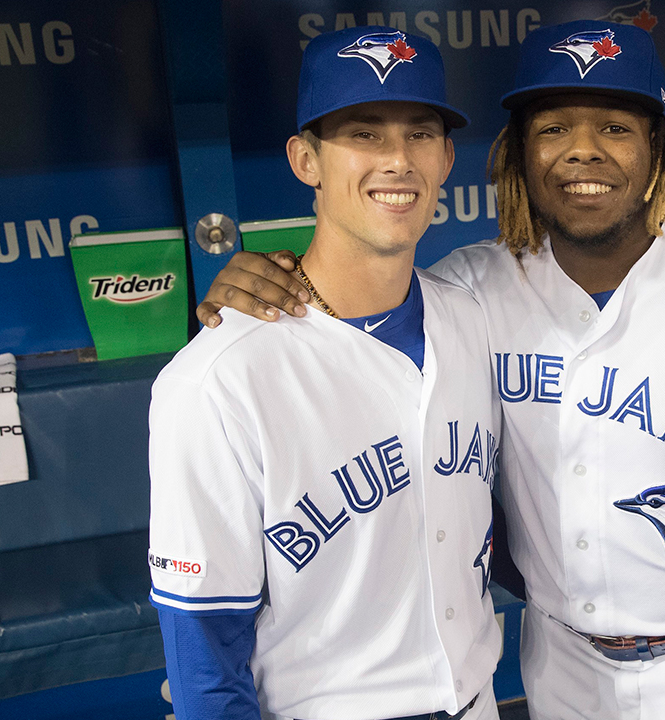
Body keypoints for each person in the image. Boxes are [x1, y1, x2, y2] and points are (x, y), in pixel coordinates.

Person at [199, 20, 665, 720]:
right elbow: (356, 301)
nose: (583, 151)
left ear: (659, 148)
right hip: (561, 664)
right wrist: (267, 280)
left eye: (616, 128)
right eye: (553, 129)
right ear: (519, 154)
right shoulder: (471, 290)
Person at [148, 26, 502, 720]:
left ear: (447, 157)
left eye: (420, 133)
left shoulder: (475, 320)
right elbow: (203, 649)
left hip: (478, 701)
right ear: (304, 159)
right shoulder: (217, 379)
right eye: (363, 134)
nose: (398, 160)